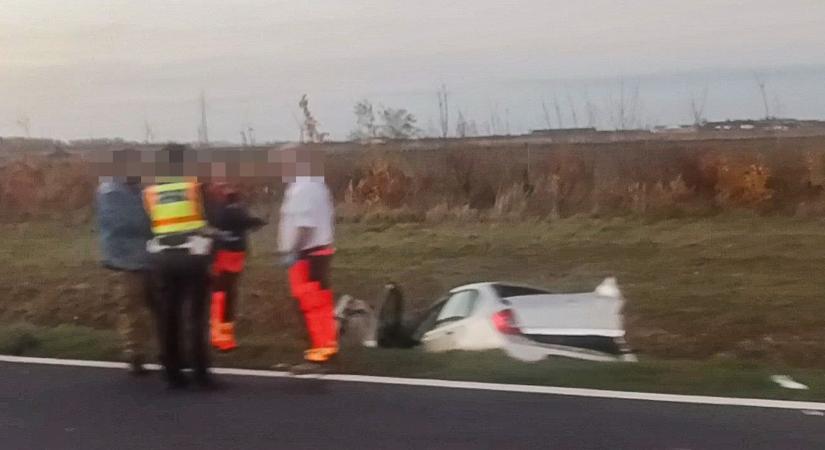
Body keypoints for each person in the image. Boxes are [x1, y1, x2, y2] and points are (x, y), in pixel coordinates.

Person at [143, 143, 216, 389]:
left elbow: (150, 224)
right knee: (195, 315)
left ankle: (172, 372)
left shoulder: (150, 193)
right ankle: (200, 372)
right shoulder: (194, 189)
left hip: (162, 258)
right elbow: (206, 223)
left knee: (168, 315)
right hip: (192, 256)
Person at [277, 146, 338, 374]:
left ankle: (319, 356)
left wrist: (292, 251)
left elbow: (304, 225)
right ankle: (323, 351)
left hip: (307, 256)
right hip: (316, 254)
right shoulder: (315, 185)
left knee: (311, 307)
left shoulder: (302, 188)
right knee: (318, 306)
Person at [95, 150, 156, 375]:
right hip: (125, 259)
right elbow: (132, 222)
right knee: (132, 307)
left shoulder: (134, 189)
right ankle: (135, 353)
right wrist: (158, 222)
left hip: (147, 256)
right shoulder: (111, 191)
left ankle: (159, 350)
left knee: (155, 306)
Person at [208, 182, 266, 351]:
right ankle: (223, 336)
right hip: (234, 255)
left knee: (220, 295)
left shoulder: (218, 210)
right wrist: (257, 222)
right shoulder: (237, 209)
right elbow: (248, 222)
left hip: (224, 255)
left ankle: (219, 336)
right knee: (227, 294)